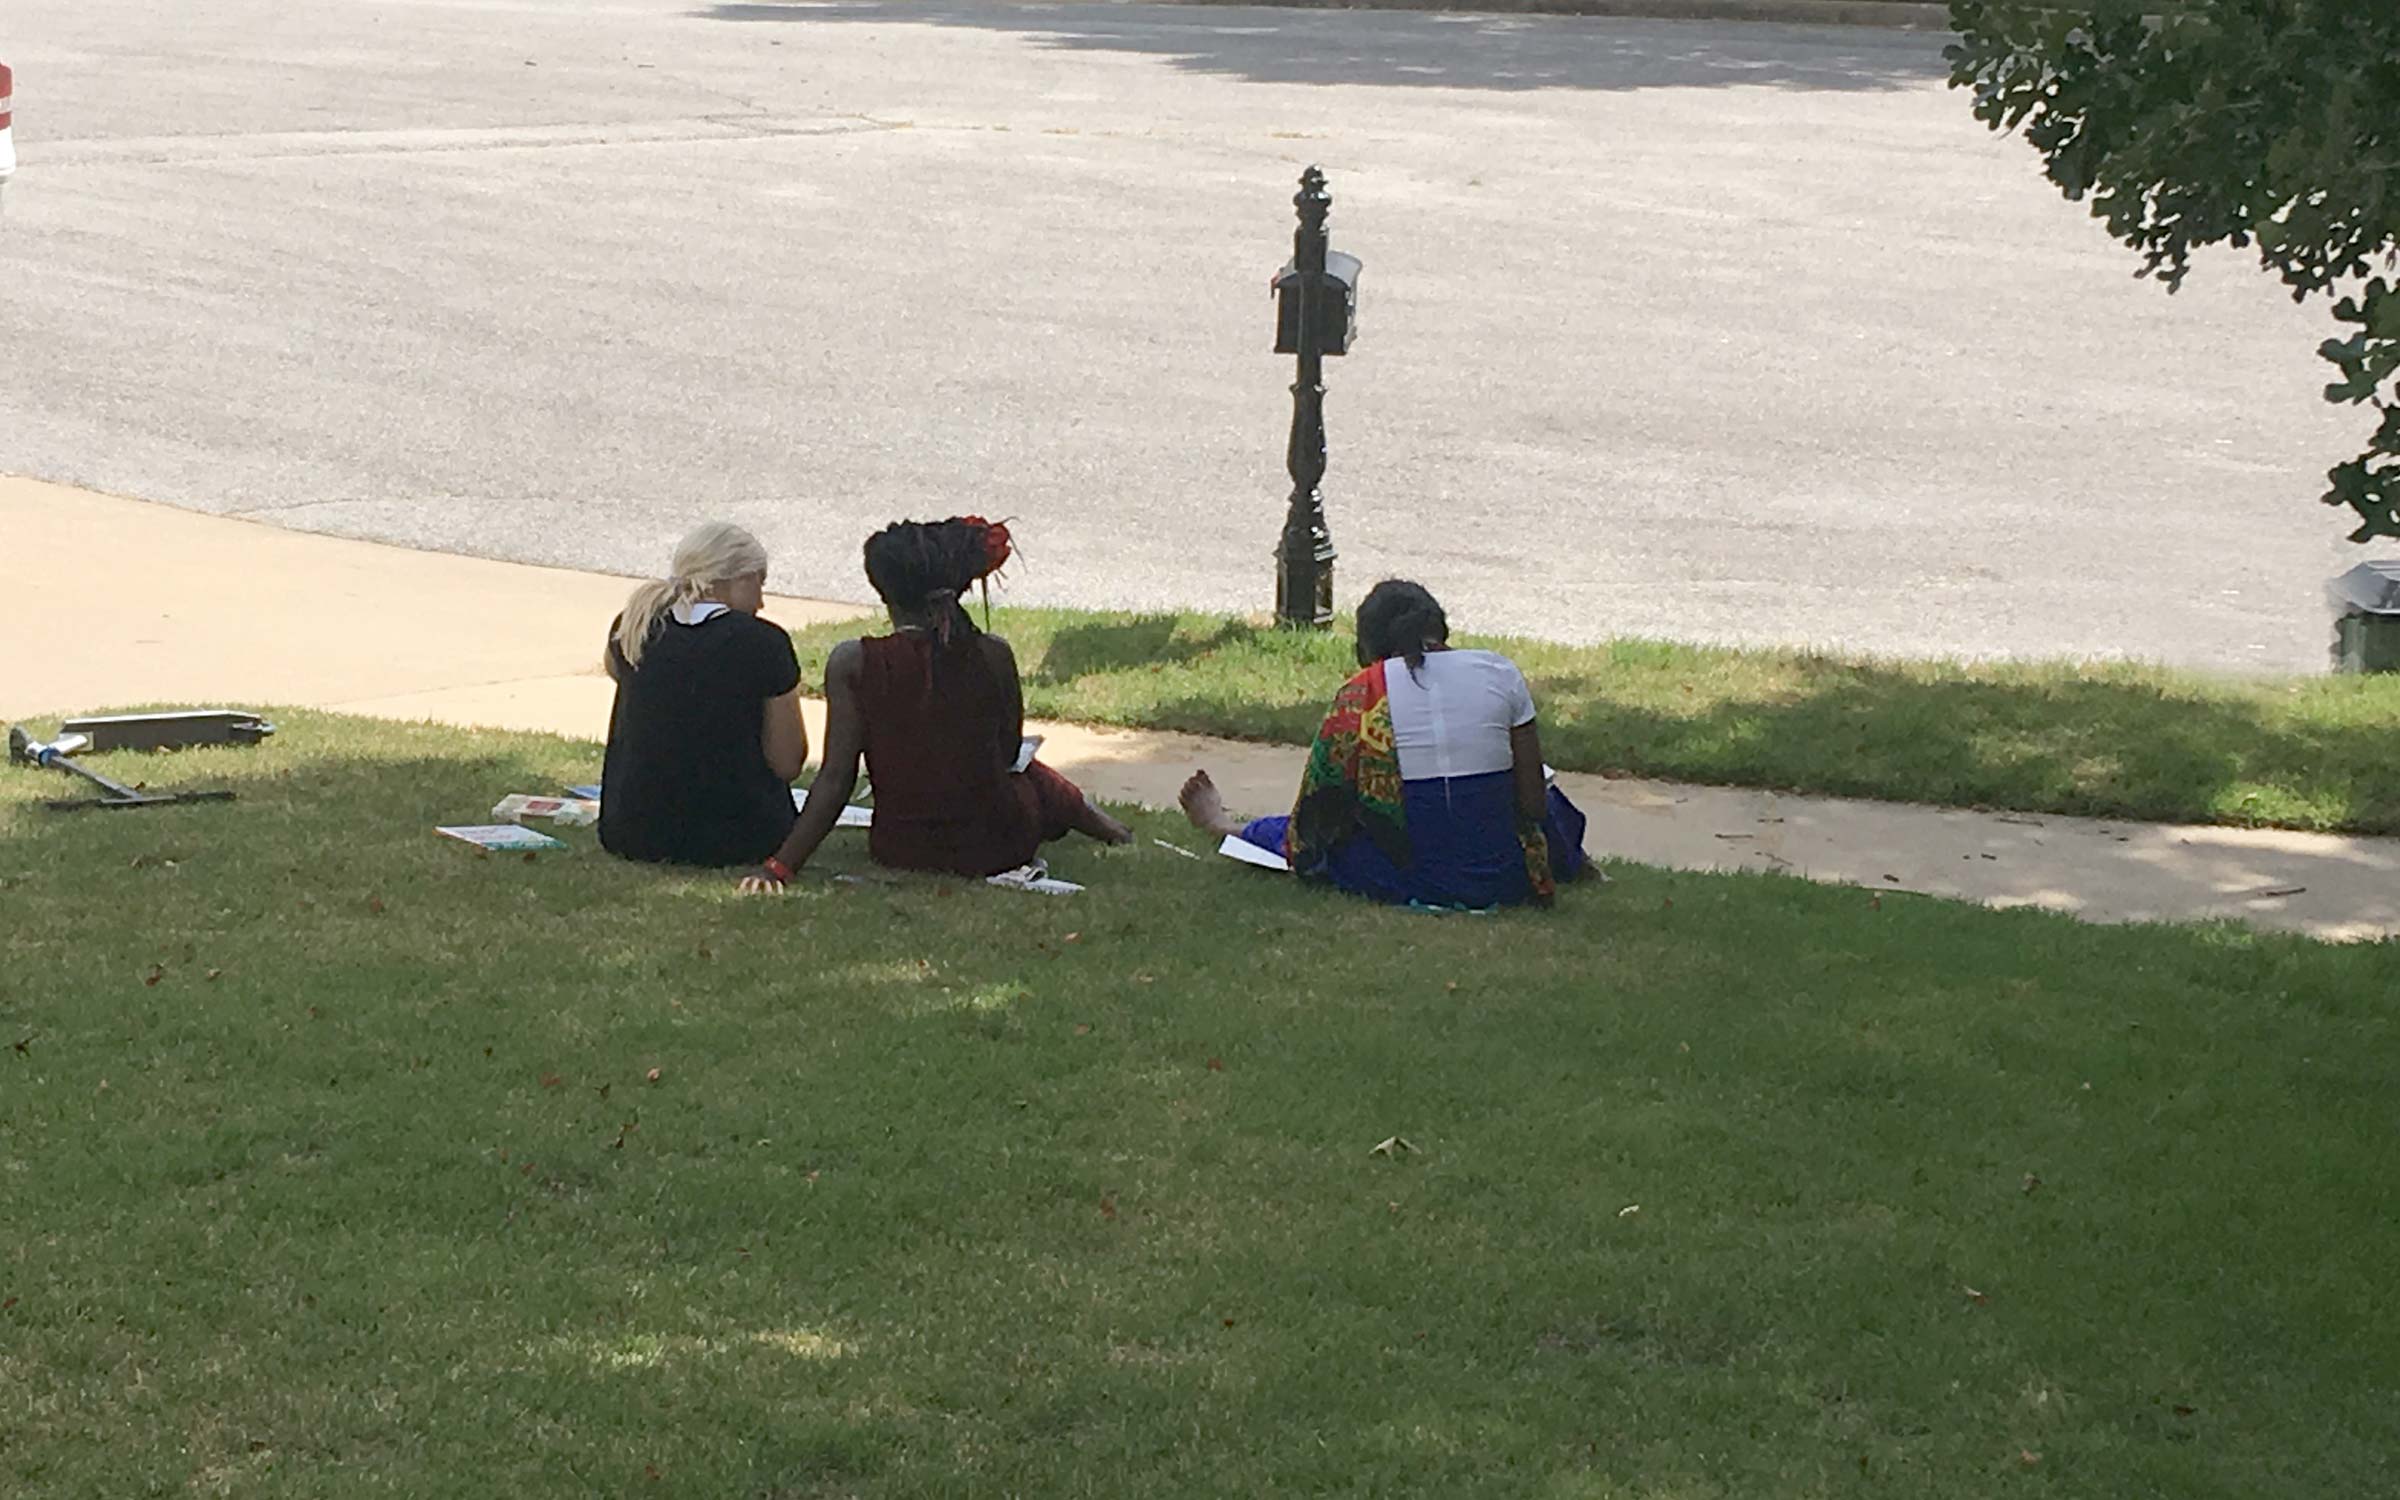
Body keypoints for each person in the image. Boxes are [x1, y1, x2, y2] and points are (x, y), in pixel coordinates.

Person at [740, 517, 1130, 891]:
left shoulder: (852, 662)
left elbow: (835, 779)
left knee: (1032, 780)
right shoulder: (993, 654)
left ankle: (1099, 823)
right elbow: (1009, 752)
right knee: (1037, 777)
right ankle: (1104, 826)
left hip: (900, 847)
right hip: (998, 845)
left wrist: (781, 865)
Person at [1179, 579, 1591, 909]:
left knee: (1304, 837)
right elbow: (1534, 806)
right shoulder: (1500, 672)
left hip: (1415, 876)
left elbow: (1316, 818)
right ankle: (1579, 865)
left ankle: (1226, 826)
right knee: (1551, 798)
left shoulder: (1361, 693)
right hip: (1507, 876)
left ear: (1367, 650)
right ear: (1441, 629)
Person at [599, 521, 808, 867]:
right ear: (738, 579)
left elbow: (616, 672)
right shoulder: (763, 643)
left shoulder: (634, 625)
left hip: (632, 830)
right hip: (739, 836)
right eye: (759, 583)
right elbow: (787, 762)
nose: (761, 602)